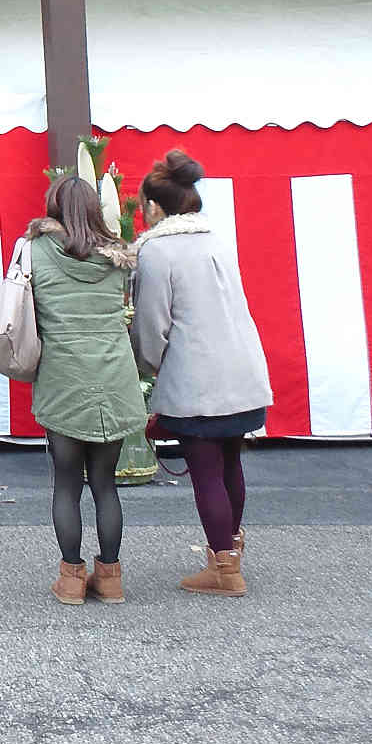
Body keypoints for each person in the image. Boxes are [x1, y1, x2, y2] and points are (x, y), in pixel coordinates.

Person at [131, 149, 274, 599]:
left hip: (197, 376)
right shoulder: (218, 239)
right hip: (242, 367)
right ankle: (230, 549)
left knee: (206, 470)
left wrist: (144, 367)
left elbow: (152, 325)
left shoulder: (156, 251)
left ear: (155, 206)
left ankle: (224, 569)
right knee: (230, 463)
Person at [28, 174, 147, 607]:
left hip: (63, 377)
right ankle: (111, 580)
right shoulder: (118, 259)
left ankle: (72, 579)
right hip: (113, 378)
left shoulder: (35, 250)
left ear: (54, 209)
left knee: (65, 483)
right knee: (105, 483)